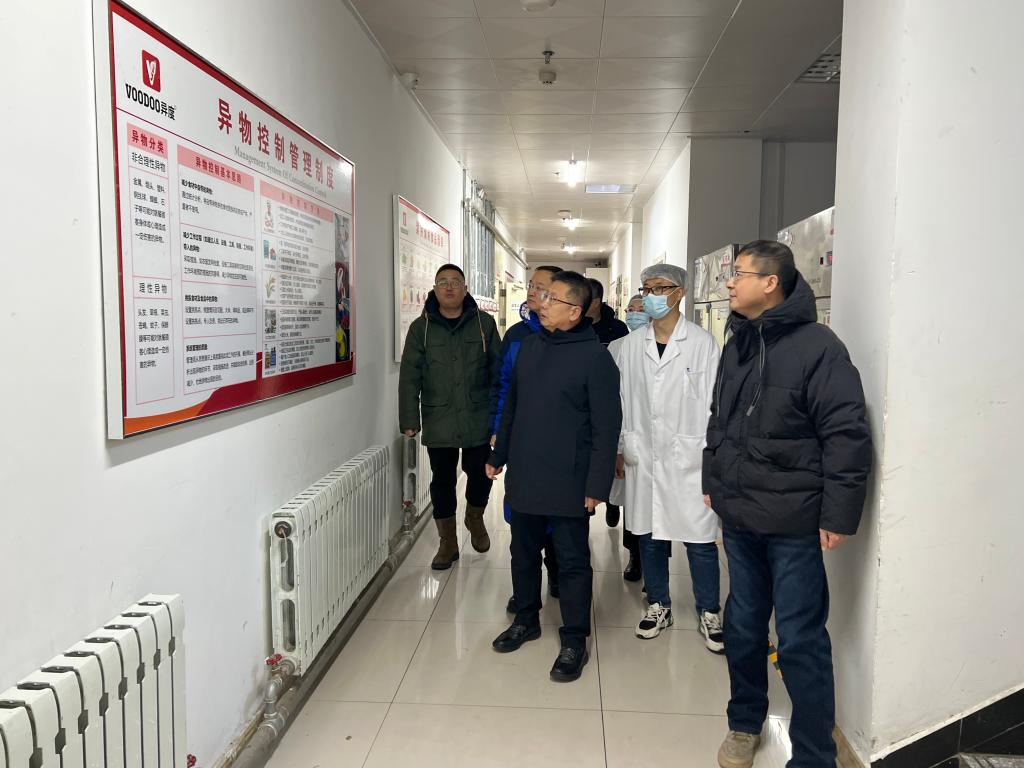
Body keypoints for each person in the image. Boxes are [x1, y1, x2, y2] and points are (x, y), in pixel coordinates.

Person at [703, 241, 872, 768]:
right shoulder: (737, 342)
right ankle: (743, 722)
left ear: (770, 283)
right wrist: (713, 481)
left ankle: (815, 754)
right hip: (740, 515)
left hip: (794, 523)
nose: (729, 283)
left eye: (739, 274)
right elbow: (719, 419)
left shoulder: (819, 347)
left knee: (799, 639)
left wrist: (838, 513)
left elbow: (846, 432)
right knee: (743, 625)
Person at [487, 271, 621, 683]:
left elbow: (606, 428)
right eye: (543, 296)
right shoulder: (529, 347)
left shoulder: (596, 358)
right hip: (526, 471)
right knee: (523, 552)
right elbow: (512, 407)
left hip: (569, 479)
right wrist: (499, 455)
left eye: (553, 299)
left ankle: (574, 638)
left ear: (575, 311)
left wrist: (597, 486)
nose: (541, 303)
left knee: (572, 561)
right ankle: (526, 618)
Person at [615, 264, 724, 649]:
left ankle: (709, 610)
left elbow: (714, 404)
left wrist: (713, 454)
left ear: (680, 293)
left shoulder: (702, 343)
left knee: (700, 538)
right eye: (646, 289)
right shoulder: (631, 346)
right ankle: (659, 603)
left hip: (690, 456)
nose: (651, 296)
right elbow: (621, 400)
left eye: (659, 288)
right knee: (649, 535)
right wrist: (621, 446)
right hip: (643, 453)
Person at [399, 264, 501, 570]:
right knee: (442, 480)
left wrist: (499, 419)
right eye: (442, 282)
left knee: (481, 473)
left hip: (477, 414)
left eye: (455, 282)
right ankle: (448, 543)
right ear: (434, 289)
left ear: (465, 288)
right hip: (439, 415)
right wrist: (409, 418)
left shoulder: (484, 324)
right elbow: (409, 376)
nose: (449, 287)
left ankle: (474, 516)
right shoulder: (421, 328)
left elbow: (498, 372)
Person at [490, 265, 563, 613]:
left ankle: (558, 572)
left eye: (541, 288)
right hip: (521, 442)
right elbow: (502, 386)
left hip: (558, 447)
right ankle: (525, 592)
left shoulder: (573, 337)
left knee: (558, 519)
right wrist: (498, 431)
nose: (533, 292)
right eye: (531, 286)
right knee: (522, 521)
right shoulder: (517, 335)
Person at [585, 277, 630, 533]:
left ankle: (613, 504)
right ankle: (587, 510)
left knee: (611, 458)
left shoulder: (617, 329)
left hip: (609, 399)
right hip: (584, 406)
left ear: (596, 302)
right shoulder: (576, 326)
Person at [608, 293, 647, 581]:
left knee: (657, 505)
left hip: (659, 437)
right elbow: (611, 395)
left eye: (640, 309)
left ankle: (654, 566)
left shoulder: (666, 345)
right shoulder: (617, 346)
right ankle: (635, 554)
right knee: (633, 500)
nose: (634, 313)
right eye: (630, 309)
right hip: (626, 430)